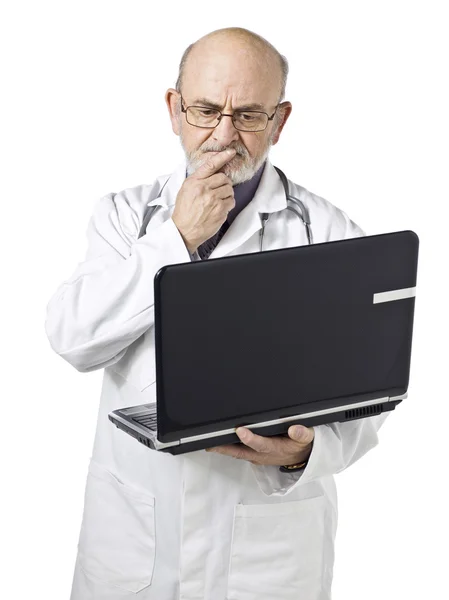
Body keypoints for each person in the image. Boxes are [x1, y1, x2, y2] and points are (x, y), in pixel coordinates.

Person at [45, 27, 389, 600]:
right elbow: (73, 337)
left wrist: (309, 450)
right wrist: (175, 238)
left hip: (268, 556)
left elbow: (371, 393)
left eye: (249, 115)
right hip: (136, 538)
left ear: (280, 121)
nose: (223, 135)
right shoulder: (125, 217)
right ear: (174, 110)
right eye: (205, 110)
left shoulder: (328, 233)